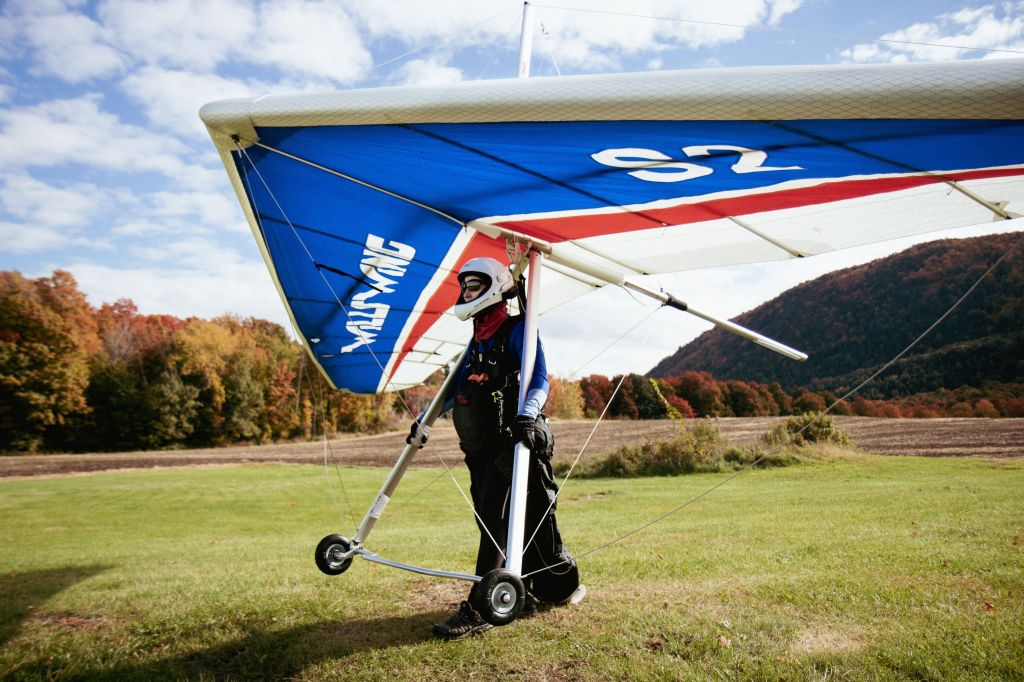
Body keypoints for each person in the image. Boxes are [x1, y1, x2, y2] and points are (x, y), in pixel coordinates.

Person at [407, 256, 583, 641]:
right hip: (482, 449)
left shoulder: (518, 330)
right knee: (489, 522)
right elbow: (455, 388)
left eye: (473, 286)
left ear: (493, 289)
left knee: (494, 523)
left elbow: (539, 379)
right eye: (464, 287)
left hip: (513, 443)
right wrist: (426, 418)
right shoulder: (478, 339)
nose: (466, 293)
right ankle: (520, 591)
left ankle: (480, 607)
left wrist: (528, 414)